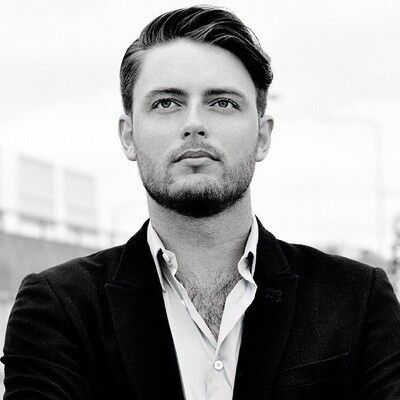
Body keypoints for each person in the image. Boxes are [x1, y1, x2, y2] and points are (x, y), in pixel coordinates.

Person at [2, 5, 400, 400]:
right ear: (128, 136)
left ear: (263, 137)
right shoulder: (58, 310)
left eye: (222, 102)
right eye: (166, 103)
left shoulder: (358, 300)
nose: (194, 124)